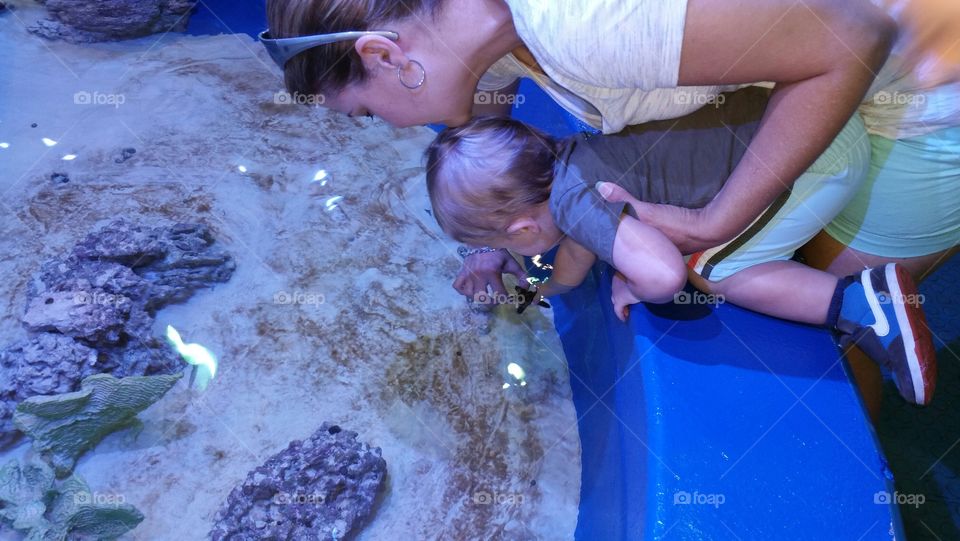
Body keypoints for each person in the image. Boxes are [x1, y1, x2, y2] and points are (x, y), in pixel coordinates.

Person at [423, 99, 936, 404]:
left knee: (711, 268)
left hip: (811, 157)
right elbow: (571, 272)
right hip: (808, 123)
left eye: (496, 243)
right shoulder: (569, 170)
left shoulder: (577, 207)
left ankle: (862, 304)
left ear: (519, 226)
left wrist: (631, 280)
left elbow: (664, 275)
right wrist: (531, 280)